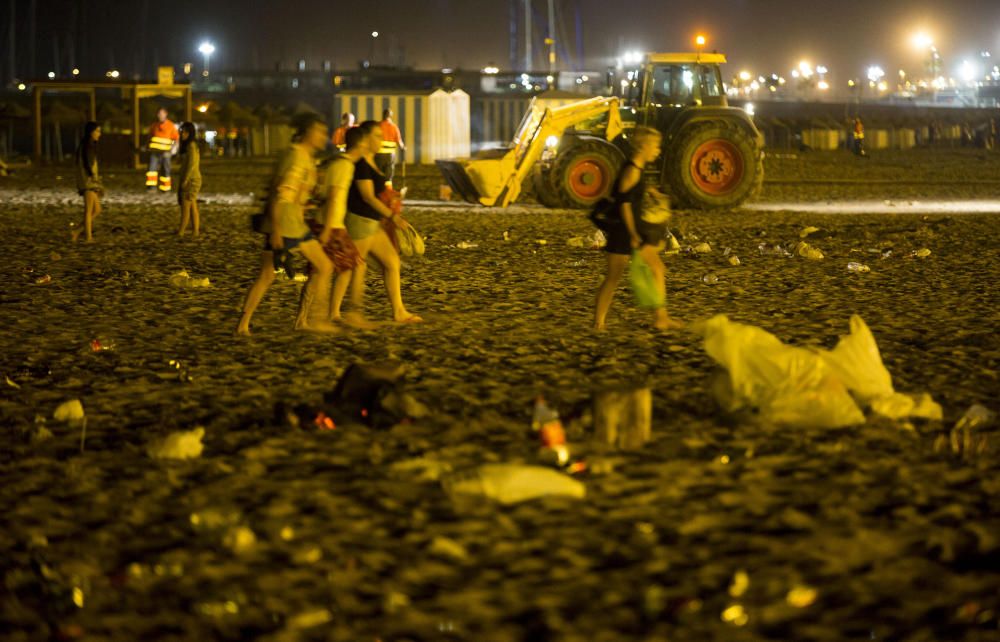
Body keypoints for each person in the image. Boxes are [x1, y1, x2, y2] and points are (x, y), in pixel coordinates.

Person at [235, 114, 338, 336]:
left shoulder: (307, 158)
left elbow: (301, 192)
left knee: (324, 267)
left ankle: (303, 320)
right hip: (284, 223)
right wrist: (276, 231)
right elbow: (279, 194)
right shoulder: (295, 156)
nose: (324, 137)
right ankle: (243, 323)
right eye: (320, 132)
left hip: (297, 224)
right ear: (308, 132)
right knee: (267, 275)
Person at [593, 126, 682, 331]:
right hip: (623, 231)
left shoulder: (637, 169)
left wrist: (652, 192)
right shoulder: (632, 170)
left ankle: (661, 318)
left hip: (634, 230)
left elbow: (633, 191)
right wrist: (633, 234)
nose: (658, 150)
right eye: (655, 146)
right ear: (644, 147)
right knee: (613, 278)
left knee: (657, 268)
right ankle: (599, 324)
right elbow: (623, 204)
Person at [332, 120, 421, 325]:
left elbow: (377, 193)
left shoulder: (372, 160)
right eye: (377, 136)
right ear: (366, 138)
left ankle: (399, 311)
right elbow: (367, 197)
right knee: (351, 268)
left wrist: (391, 197)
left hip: (373, 222)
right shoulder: (361, 164)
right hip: (360, 221)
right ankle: (339, 313)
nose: (382, 139)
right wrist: (393, 217)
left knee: (391, 263)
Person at [308, 125, 365, 320]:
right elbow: (333, 197)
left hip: (328, 222)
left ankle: (322, 314)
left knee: (329, 270)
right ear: (362, 144)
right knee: (348, 266)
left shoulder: (337, 162)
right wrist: (328, 229)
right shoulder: (345, 165)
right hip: (331, 224)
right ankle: (328, 314)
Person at [72, 122, 103, 242]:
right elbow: (87, 165)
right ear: (91, 132)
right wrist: (94, 179)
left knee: (97, 210)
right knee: (89, 210)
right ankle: (88, 237)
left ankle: (76, 231)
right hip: (88, 182)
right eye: (97, 131)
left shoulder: (88, 145)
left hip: (90, 182)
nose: (99, 134)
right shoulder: (87, 146)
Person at [176, 122, 202, 236]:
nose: (182, 134)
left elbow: (191, 164)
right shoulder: (191, 145)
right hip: (193, 178)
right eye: (181, 131)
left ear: (190, 133)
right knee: (192, 206)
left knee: (186, 207)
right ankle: (195, 231)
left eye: (185, 132)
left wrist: (185, 180)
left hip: (191, 180)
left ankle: (181, 231)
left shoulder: (191, 145)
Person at [147, 107, 179, 192]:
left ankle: (165, 188)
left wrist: (173, 149)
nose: (160, 116)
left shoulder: (170, 126)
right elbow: (150, 137)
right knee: (151, 170)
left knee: (165, 170)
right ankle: (152, 187)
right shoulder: (154, 125)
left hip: (166, 152)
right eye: (159, 114)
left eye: (161, 114)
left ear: (166, 114)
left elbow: (176, 138)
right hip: (155, 152)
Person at [376, 108, 406, 186]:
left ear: (383, 115)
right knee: (388, 175)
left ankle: (378, 192)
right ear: (390, 116)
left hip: (379, 154)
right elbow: (400, 143)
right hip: (390, 155)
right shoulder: (394, 127)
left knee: (378, 173)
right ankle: (388, 192)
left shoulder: (377, 125)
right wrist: (403, 148)